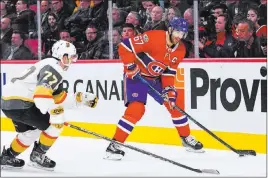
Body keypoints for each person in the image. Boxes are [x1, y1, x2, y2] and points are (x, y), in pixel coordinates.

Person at [104, 17, 203, 161]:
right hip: (136, 77)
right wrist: (130, 67)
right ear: (169, 29)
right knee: (136, 109)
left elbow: (169, 73)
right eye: (177, 33)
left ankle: (186, 138)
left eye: (182, 34)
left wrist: (169, 89)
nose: (179, 37)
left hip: (156, 79)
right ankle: (114, 145)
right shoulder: (153, 37)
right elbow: (125, 47)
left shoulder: (180, 49)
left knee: (175, 103)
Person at [0, 40, 98, 171]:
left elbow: (57, 96)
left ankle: (7, 157)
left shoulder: (48, 64)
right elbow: (41, 94)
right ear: (62, 57)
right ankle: (38, 155)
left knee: (31, 132)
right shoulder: (54, 68)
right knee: (55, 124)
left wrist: (78, 99)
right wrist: (53, 111)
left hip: (9, 102)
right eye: (71, 56)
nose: (74, 60)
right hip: (22, 102)